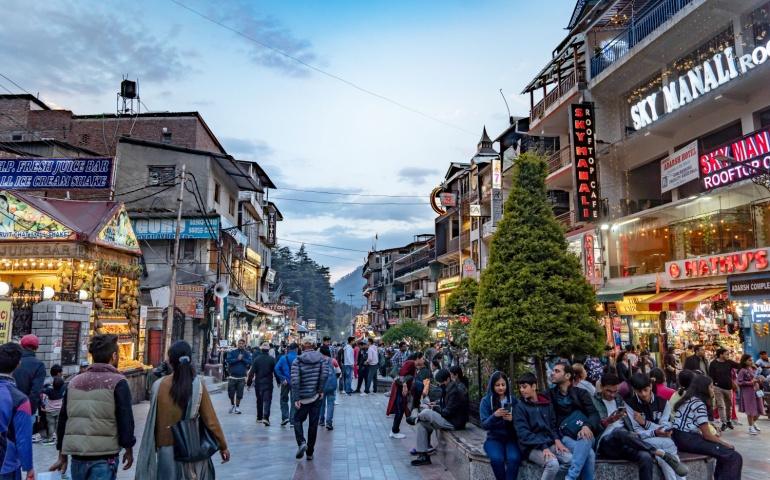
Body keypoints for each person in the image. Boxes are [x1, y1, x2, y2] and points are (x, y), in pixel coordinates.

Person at [135, 340, 230, 479]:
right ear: (190, 360)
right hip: (190, 447)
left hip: (165, 447)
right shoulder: (198, 385)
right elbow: (211, 421)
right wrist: (223, 446)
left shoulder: (158, 386)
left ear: (170, 361)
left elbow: (154, 419)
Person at [50, 334, 135, 480]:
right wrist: (128, 448)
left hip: (77, 457)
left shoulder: (74, 382)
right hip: (104, 458)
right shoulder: (118, 382)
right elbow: (125, 419)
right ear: (114, 356)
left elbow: (63, 420)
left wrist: (62, 456)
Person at [672, 374, 742, 479]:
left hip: (679, 437)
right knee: (734, 457)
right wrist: (725, 444)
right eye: (711, 386)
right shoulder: (698, 403)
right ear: (703, 388)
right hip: (688, 440)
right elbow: (707, 435)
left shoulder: (688, 399)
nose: (712, 389)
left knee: (725, 455)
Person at [624, 373, 688, 480]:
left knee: (665, 455)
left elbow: (664, 427)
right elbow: (637, 433)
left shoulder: (663, 403)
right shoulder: (630, 404)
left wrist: (645, 423)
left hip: (660, 440)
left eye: (645, 389)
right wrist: (654, 431)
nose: (643, 394)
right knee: (669, 446)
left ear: (651, 386)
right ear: (634, 390)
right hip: (643, 442)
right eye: (639, 391)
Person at [513, 372, 572, 480]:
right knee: (553, 464)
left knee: (570, 460)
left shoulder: (547, 404)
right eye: (520, 387)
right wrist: (543, 447)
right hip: (531, 447)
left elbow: (553, 427)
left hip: (549, 443)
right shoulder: (519, 407)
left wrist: (557, 440)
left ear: (534, 386)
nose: (521, 390)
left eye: (524, 387)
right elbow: (524, 434)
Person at [549, 362, 597, 480]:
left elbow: (594, 414)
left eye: (557, 371)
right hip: (565, 436)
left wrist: (586, 426)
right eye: (553, 370)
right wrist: (556, 438)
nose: (552, 373)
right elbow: (549, 421)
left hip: (585, 433)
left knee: (585, 437)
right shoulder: (550, 395)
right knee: (589, 454)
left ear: (567, 376)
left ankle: (570, 477)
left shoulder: (581, 393)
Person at [410, 368, 468, 467]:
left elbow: (447, 412)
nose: (440, 384)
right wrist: (435, 403)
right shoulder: (448, 388)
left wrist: (435, 408)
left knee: (427, 412)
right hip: (448, 418)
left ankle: (416, 417)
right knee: (422, 425)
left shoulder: (454, 391)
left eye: (441, 382)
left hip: (453, 422)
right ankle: (423, 456)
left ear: (448, 379)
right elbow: (445, 404)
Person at [0, 342, 34, 480]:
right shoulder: (19, 400)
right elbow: (23, 439)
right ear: (18, 364)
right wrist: (29, 467)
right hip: (6, 466)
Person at [291, 339, 329, 461]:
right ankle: (310, 453)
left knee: (297, 420)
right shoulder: (321, 359)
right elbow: (324, 374)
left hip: (303, 398)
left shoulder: (297, 360)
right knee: (313, 425)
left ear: (302, 346)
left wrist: (296, 397)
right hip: (316, 397)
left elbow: (295, 380)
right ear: (314, 346)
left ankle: (302, 442)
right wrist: (320, 390)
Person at [480, 371, 521, 480]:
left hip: (511, 438)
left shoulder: (513, 400)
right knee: (497, 459)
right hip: (494, 438)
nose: (501, 388)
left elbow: (522, 422)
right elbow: (484, 424)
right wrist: (494, 416)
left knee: (514, 458)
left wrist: (512, 419)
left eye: (503, 384)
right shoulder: (486, 401)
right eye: (497, 385)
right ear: (492, 385)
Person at [13, 334, 45, 443]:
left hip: (7, 405)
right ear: (36, 348)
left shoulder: (13, 360)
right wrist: (30, 410)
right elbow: (35, 391)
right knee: (23, 442)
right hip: (26, 408)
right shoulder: (38, 365)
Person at [707, 348, 740, 431]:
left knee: (729, 405)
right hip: (717, 387)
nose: (728, 356)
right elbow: (710, 376)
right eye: (726, 354)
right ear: (721, 354)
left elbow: (739, 365)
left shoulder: (729, 362)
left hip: (728, 387)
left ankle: (728, 421)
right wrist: (713, 385)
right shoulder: (713, 363)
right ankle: (724, 422)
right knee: (721, 405)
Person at [387, 353, 417, 440]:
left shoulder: (408, 362)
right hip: (401, 391)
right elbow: (402, 374)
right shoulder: (411, 363)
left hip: (400, 390)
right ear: (417, 358)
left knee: (400, 410)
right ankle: (394, 431)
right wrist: (404, 385)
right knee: (399, 411)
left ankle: (395, 431)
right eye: (422, 358)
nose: (423, 360)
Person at [246, 342, 277, 426]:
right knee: (267, 400)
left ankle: (259, 417)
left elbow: (251, 373)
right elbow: (276, 371)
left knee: (259, 400)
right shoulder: (271, 359)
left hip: (258, 383)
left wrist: (249, 383)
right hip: (268, 383)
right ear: (268, 350)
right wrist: (278, 381)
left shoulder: (257, 359)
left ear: (261, 349)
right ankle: (266, 417)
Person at [737, 353, 764, 435]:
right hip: (748, 393)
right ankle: (750, 427)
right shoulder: (742, 370)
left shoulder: (752, 369)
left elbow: (756, 378)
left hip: (756, 391)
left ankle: (753, 423)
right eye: (749, 360)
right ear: (744, 361)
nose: (752, 361)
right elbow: (739, 382)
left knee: (760, 409)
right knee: (751, 410)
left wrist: (759, 379)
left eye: (752, 360)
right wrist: (750, 382)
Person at [225, 339, 252, 415]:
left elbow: (249, 362)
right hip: (232, 377)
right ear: (237, 344)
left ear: (244, 345)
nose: (240, 345)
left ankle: (237, 407)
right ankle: (232, 405)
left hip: (241, 377)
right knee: (231, 393)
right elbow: (228, 360)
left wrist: (242, 359)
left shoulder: (247, 353)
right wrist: (237, 359)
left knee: (240, 394)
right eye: (239, 343)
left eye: (242, 344)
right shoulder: (232, 352)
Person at [275, 342, 298, 426]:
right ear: (296, 349)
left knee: (283, 399)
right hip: (295, 382)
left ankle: (285, 417)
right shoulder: (298, 358)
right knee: (294, 400)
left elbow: (277, 368)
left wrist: (282, 378)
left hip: (285, 382)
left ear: (289, 349)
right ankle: (293, 420)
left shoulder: (283, 358)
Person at [318, 345, 340, 430]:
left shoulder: (318, 360)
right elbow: (339, 371)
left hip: (321, 386)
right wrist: (334, 378)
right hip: (331, 386)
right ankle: (329, 423)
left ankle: (321, 420)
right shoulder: (333, 360)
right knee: (331, 404)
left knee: (321, 404)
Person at [41, 374, 66, 446]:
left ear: (53, 384)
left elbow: (42, 390)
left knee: (51, 424)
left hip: (50, 410)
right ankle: (59, 438)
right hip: (59, 410)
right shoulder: (62, 389)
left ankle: (50, 438)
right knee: (58, 425)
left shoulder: (49, 390)